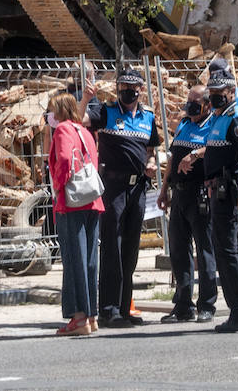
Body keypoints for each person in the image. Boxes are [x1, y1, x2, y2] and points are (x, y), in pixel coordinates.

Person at [81, 68, 160, 328]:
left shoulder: (148, 117)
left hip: (138, 189)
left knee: (130, 249)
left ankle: (126, 307)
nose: (127, 91)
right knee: (112, 249)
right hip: (114, 187)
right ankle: (109, 309)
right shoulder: (107, 112)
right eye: (122, 86)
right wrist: (85, 98)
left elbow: (151, 149)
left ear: (140, 89)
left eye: (131, 87)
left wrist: (150, 163)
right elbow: (80, 119)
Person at [182, 70, 238, 332]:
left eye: (220, 94)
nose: (215, 98)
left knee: (228, 252)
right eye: (212, 94)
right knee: (223, 253)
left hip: (231, 192)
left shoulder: (237, 118)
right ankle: (237, 311)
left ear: (232, 93)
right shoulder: (219, 117)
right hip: (218, 191)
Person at [157, 83, 217, 324]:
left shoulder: (213, 124)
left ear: (207, 104)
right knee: (179, 250)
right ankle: (183, 305)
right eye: (188, 102)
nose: (190, 107)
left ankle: (207, 305)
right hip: (179, 194)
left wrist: (196, 154)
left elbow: (214, 148)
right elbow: (173, 158)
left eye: (195, 103)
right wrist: (164, 189)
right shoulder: (184, 123)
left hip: (200, 194)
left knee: (204, 251)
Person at [48, 90, 103, 336]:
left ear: (59, 110)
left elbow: (63, 160)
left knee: (74, 259)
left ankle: (78, 317)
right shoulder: (85, 131)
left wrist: (59, 188)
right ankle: (91, 315)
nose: (49, 114)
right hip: (92, 200)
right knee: (90, 260)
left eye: (52, 110)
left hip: (72, 202)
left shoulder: (62, 130)